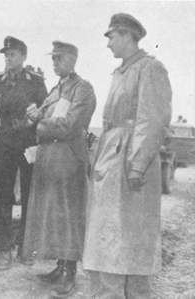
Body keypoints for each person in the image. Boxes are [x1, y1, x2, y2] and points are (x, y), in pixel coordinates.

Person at [83, 13, 172, 298]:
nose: (108, 44)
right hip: (113, 157)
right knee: (108, 237)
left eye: (111, 37)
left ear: (126, 35)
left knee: (130, 238)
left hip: (131, 162)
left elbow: (152, 119)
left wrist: (137, 166)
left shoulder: (150, 68)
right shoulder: (122, 72)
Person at [22, 41, 96, 297]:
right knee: (53, 214)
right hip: (49, 160)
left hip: (68, 161)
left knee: (68, 214)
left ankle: (70, 272)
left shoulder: (82, 89)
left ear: (73, 60)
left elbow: (69, 126)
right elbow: (42, 121)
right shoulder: (55, 90)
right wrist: (38, 118)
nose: (55, 63)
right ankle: (60, 265)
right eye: (53, 59)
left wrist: (40, 121)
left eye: (60, 58)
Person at [0, 36, 47, 270]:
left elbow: (45, 110)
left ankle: (26, 247)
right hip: (4, 144)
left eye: (12, 54)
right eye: (5, 54)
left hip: (27, 144)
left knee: (29, 196)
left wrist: (37, 119)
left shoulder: (35, 81)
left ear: (23, 56)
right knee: (3, 196)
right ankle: (4, 249)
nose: (8, 58)